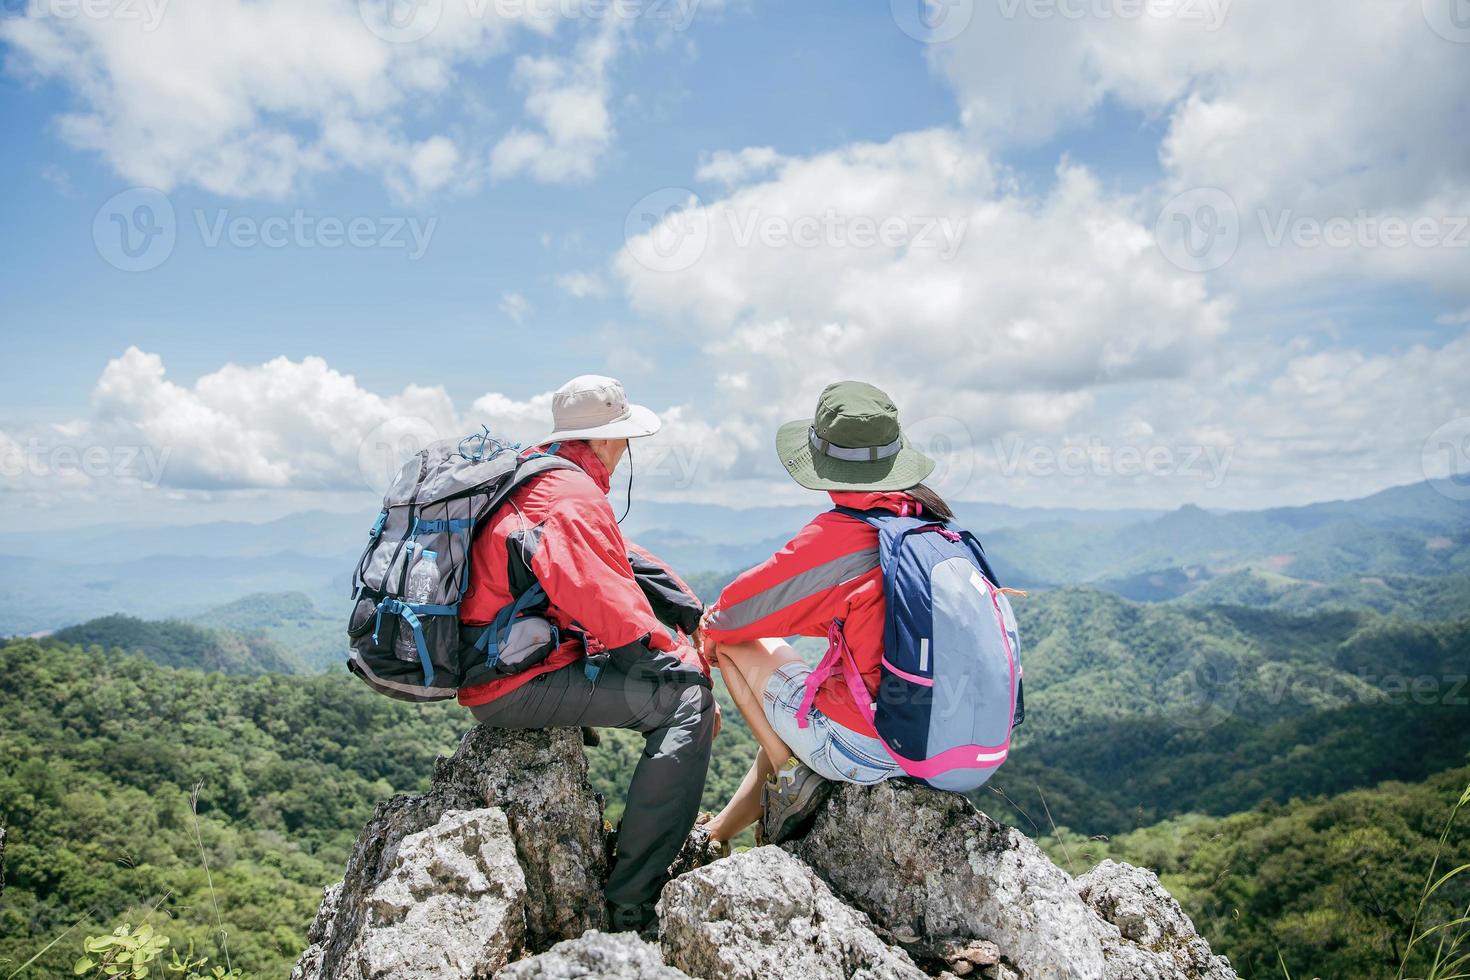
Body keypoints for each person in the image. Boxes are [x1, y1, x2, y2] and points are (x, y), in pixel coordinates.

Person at [459, 375, 717, 933]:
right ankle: (632, 902)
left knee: (662, 671)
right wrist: (683, 658)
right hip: (516, 684)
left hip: (496, 662)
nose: (626, 450)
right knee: (688, 703)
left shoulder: (536, 475)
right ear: (604, 440)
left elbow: (622, 556)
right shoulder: (574, 498)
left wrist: (691, 611)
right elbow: (610, 610)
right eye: (623, 438)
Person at [698, 380, 951, 844]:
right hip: (932, 745)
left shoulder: (840, 535)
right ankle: (717, 834)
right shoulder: (926, 524)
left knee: (735, 643)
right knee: (794, 698)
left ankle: (791, 776)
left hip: (863, 750)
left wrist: (708, 633)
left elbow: (733, 614)